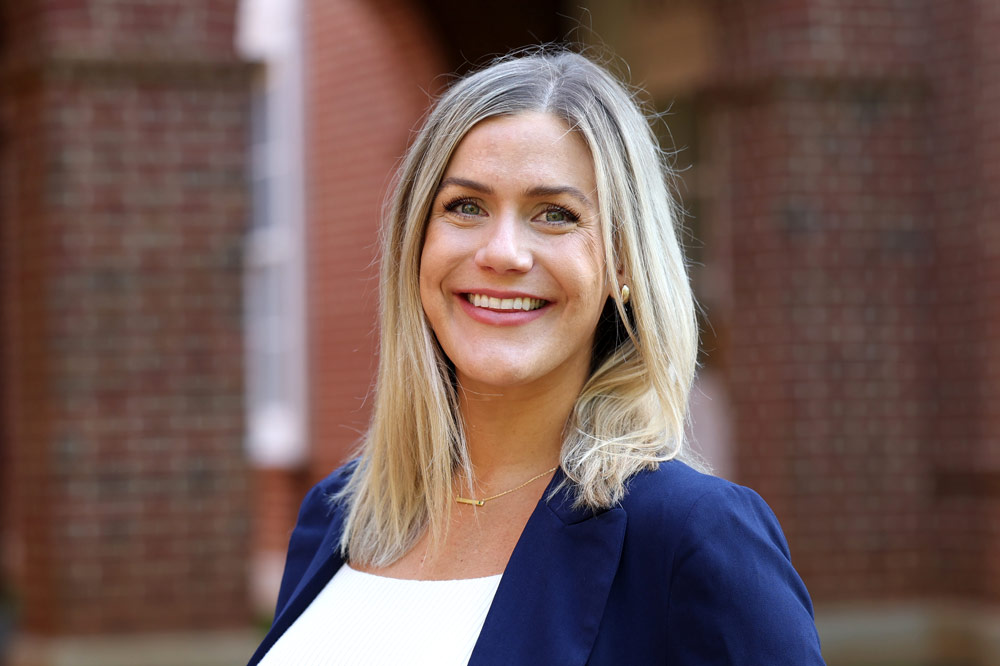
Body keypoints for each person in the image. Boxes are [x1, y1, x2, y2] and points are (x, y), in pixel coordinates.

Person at [248, 49, 825, 665]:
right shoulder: (338, 514)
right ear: (417, 244)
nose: (503, 253)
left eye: (556, 215)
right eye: (465, 206)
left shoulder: (694, 537)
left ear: (623, 264)